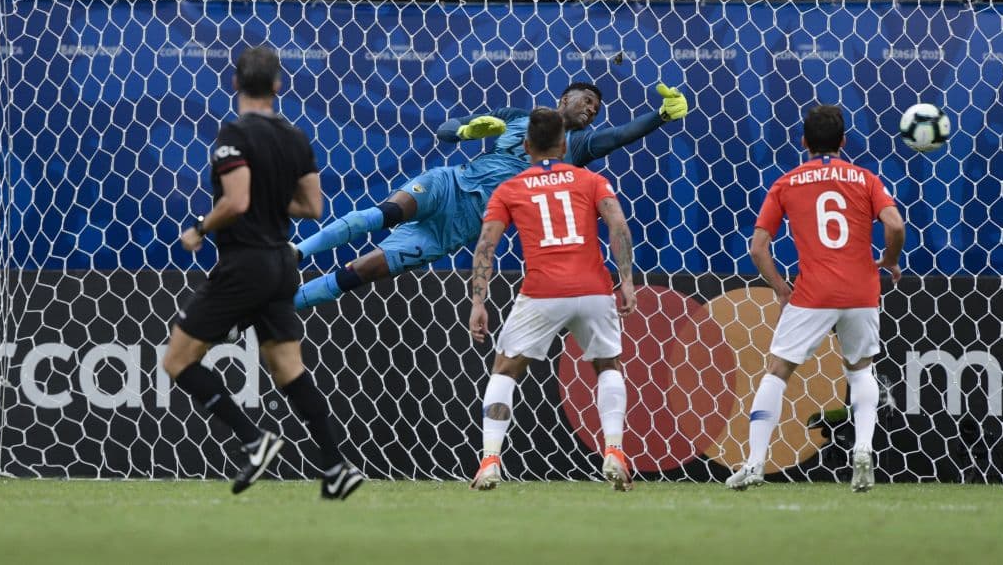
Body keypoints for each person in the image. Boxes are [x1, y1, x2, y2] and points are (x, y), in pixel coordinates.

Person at [162, 46, 363, 500]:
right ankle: (335, 466)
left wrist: (198, 228)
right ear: (277, 85)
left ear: (234, 83)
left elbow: (236, 202)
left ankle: (253, 440)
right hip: (281, 264)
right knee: (289, 369)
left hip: (245, 263)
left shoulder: (232, 134)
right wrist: (271, 202)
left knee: (176, 360)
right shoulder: (296, 137)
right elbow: (313, 207)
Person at [292, 82, 687, 310]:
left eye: (596, 109)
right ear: (564, 99)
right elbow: (446, 130)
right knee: (386, 212)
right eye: (586, 101)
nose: (591, 111)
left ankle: (285, 304)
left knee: (361, 271)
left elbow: (618, 136)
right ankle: (295, 253)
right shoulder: (514, 115)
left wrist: (661, 116)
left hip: (461, 226)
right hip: (447, 183)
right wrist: (465, 132)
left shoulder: (577, 145)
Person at [726, 104, 905, 493]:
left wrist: (779, 287)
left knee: (778, 370)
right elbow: (895, 224)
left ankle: (755, 463)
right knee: (860, 369)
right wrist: (889, 261)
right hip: (861, 291)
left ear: (804, 141)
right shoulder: (865, 179)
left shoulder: (787, 183)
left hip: (813, 293)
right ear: (843, 141)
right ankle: (862, 450)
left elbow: (758, 247)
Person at [466, 108, 637, 491]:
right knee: (608, 365)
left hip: (542, 292)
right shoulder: (591, 180)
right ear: (564, 144)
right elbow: (618, 223)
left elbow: (486, 246)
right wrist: (625, 279)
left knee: (505, 369)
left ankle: (490, 460)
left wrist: (479, 301)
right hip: (593, 289)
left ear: (526, 146)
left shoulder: (509, 189)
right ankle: (614, 451)